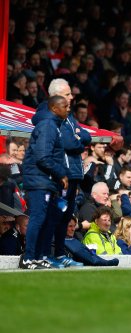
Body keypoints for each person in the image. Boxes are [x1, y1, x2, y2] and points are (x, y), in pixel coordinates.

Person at [34, 78, 91, 268]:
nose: (72, 97)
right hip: (60, 174)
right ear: (55, 95)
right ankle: (43, 255)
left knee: (65, 217)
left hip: (73, 174)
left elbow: (85, 136)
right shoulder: (46, 112)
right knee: (54, 216)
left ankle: (58, 254)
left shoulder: (68, 114)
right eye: (67, 94)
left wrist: (77, 137)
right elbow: (69, 142)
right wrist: (76, 138)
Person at [20, 96, 69, 270]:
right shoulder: (48, 126)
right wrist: (61, 174)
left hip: (45, 181)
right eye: (65, 106)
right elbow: (43, 157)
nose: (68, 109)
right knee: (38, 218)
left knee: (46, 219)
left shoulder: (53, 126)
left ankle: (39, 257)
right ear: (54, 108)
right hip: (39, 181)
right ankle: (28, 258)